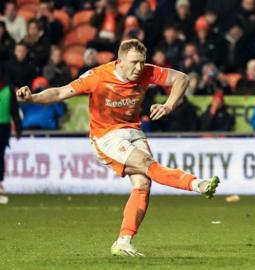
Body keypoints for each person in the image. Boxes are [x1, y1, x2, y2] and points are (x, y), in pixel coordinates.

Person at [16, 39, 220, 257]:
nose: (139, 68)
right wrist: (33, 97)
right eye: (134, 62)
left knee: (143, 182)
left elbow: (182, 78)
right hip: (106, 137)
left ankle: (123, 241)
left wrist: (168, 105)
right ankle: (197, 184)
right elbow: (59, 93)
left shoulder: (146, 72)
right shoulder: (97, 77)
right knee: (146, 164)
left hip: (133, 131)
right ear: (119, 61)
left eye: (142, 62)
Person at [0, 68, 22, 197]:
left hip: (4, 126)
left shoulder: (9, 89)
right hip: (4, 127)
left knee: (0, 155)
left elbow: (14, 110)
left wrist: (18, 128)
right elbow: (15, 110)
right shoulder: (8, 89)